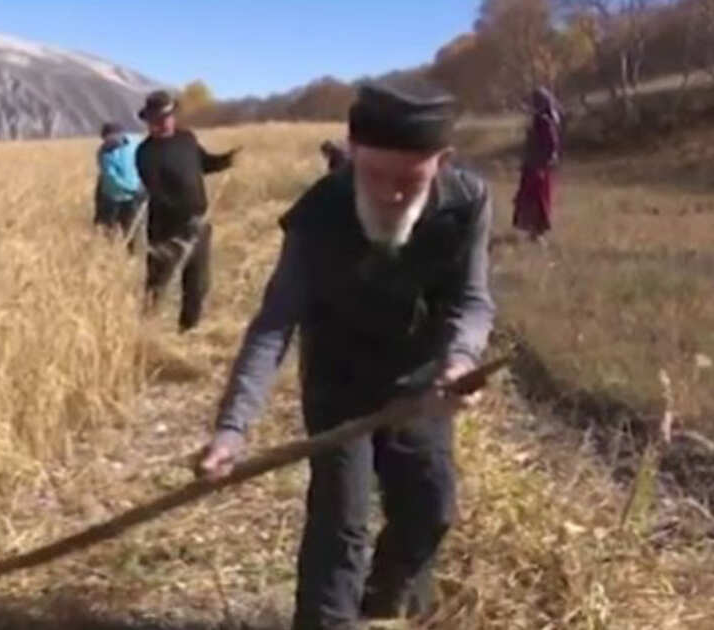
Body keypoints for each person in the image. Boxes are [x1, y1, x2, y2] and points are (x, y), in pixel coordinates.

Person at [195, 82, 496, 629]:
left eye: (411, 180)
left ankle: (386, 607)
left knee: (430, 508)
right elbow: (273, 324)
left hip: (420, 382)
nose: (390, 195)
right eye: (375, 175)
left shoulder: (467, 201)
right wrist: (234, 429)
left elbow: (471, 300)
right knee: (341, 521)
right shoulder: (319, 214)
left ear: (443, 163)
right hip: (339, 382)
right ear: (352, 154)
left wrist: (460, 359)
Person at [135, 90, 239, 333]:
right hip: (166, 229)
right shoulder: (145, 153)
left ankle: (187, 329)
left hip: (199, 224)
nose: (163, 122)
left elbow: (203, 163)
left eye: (167, 117)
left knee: (198, 283)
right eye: (157, 119)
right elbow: (157, 193)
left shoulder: (187, 139)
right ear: (148, 121)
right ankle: (145, 331)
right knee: (157, 284)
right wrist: (184, 217)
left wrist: (225, 160)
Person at [511, 87, 561, 245]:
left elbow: (551, 144)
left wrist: (543, 163)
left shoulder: (544, 120)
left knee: (538, 199)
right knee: (529, 198)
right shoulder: (539, 118)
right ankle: (532, 232)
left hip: (538, 166)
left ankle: (537, 233)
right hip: (533, 164)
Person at [94, 122, 146, 248]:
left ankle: (131, 255)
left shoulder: (136, 142)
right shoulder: (104, 154)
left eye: (112, 138)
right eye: (106, 139)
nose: (109, 142)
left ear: (121, 135)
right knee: (108, 229)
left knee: (132, 229)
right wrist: (133, 190)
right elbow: (112, 179)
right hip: (112, 197)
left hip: (134, 196)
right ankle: (109, 254)